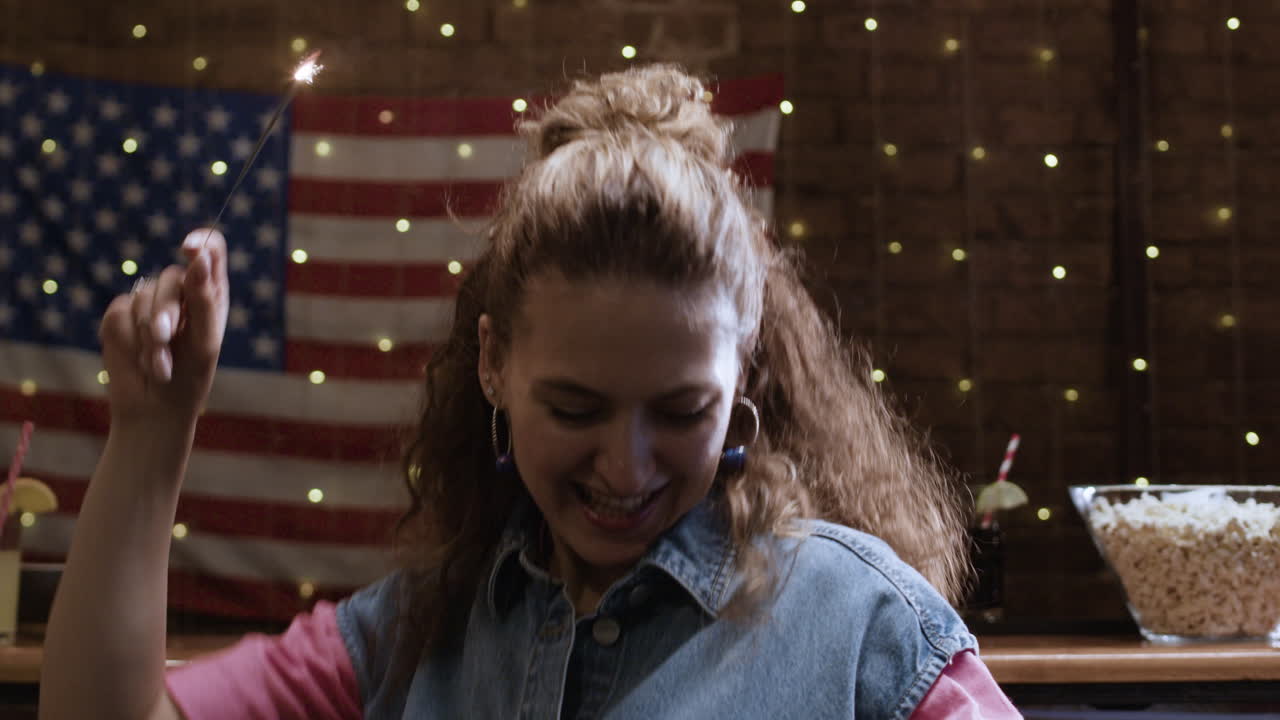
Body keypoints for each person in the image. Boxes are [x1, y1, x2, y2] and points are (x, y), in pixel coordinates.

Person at [39, 65, 1021, 719]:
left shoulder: (863, 630)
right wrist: (151, 432)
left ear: (744, 369)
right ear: (491, 365)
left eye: (680, 412)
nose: (626, 466)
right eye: (576, 409)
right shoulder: (412, 632)